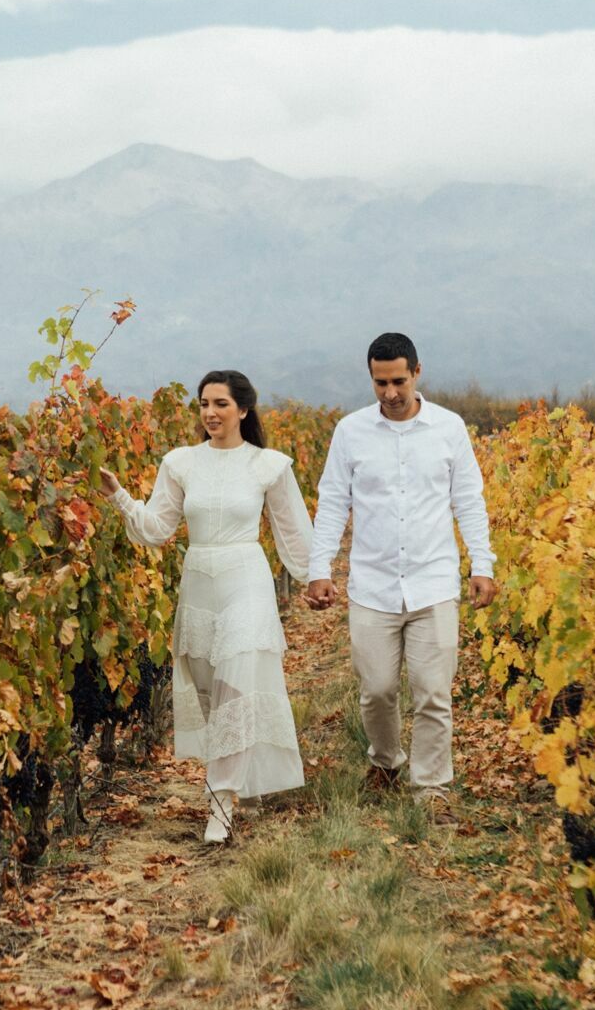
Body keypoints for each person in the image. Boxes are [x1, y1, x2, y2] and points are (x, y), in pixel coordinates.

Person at [100, 371, 315, 841]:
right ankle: (245, 783)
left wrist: (314, 578)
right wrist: (118, 495)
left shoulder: (268, 465)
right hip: (199, 581)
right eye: (203, 404)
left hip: (247, 578)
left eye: (220, 403)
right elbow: (157, 528)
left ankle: (220, 802)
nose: (210, 413)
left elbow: (293, 530)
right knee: (207, 687)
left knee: (235, 685)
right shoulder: (181, 463)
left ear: (243, 410)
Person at [304, 332, 496, 810]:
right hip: (373, 586)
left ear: (417, 373)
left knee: (433, 693)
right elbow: (332, 503)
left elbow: (468, 500)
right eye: (379, 383)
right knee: (378, 691)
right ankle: (386, 759)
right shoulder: (350, 432)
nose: (389, 392)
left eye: (397, 381)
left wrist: (482, 563)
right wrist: (318, 567)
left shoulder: (449, 428)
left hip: (433, 583)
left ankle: (431, 787)